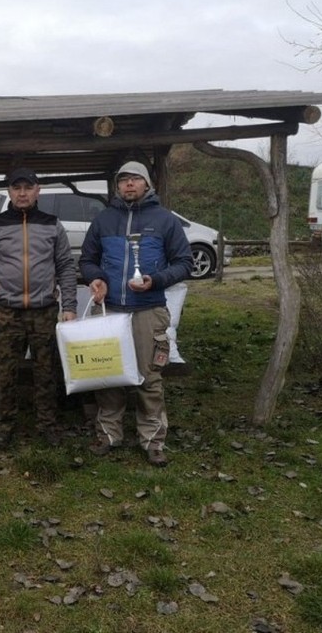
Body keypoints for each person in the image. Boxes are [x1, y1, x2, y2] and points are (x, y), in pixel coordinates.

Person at [78, 160, 193, 467]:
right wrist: (96, 278)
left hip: (149, 310)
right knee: (109, 376)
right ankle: (108, 434)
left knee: (149, 378)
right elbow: (87, 259)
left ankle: (153, 440)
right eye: (123, 180)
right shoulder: (103, 220)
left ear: (146, 184)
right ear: (117, 186)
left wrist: (156, 280)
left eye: (135, 179)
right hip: (111, 311)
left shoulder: (165, 220)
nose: (129, 184)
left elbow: (185, 263)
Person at [0, 167, 78, 448]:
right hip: (5, 311)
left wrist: (69, 305)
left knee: (46, 371)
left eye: (27, 188)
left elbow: (66, 266)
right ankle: (5, 426)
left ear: (37, 190)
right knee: (5, 373)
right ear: (9, 191)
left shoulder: (52, 224)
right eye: (16, 188)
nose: (22, 193)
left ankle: (47, 425)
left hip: (44, 311)